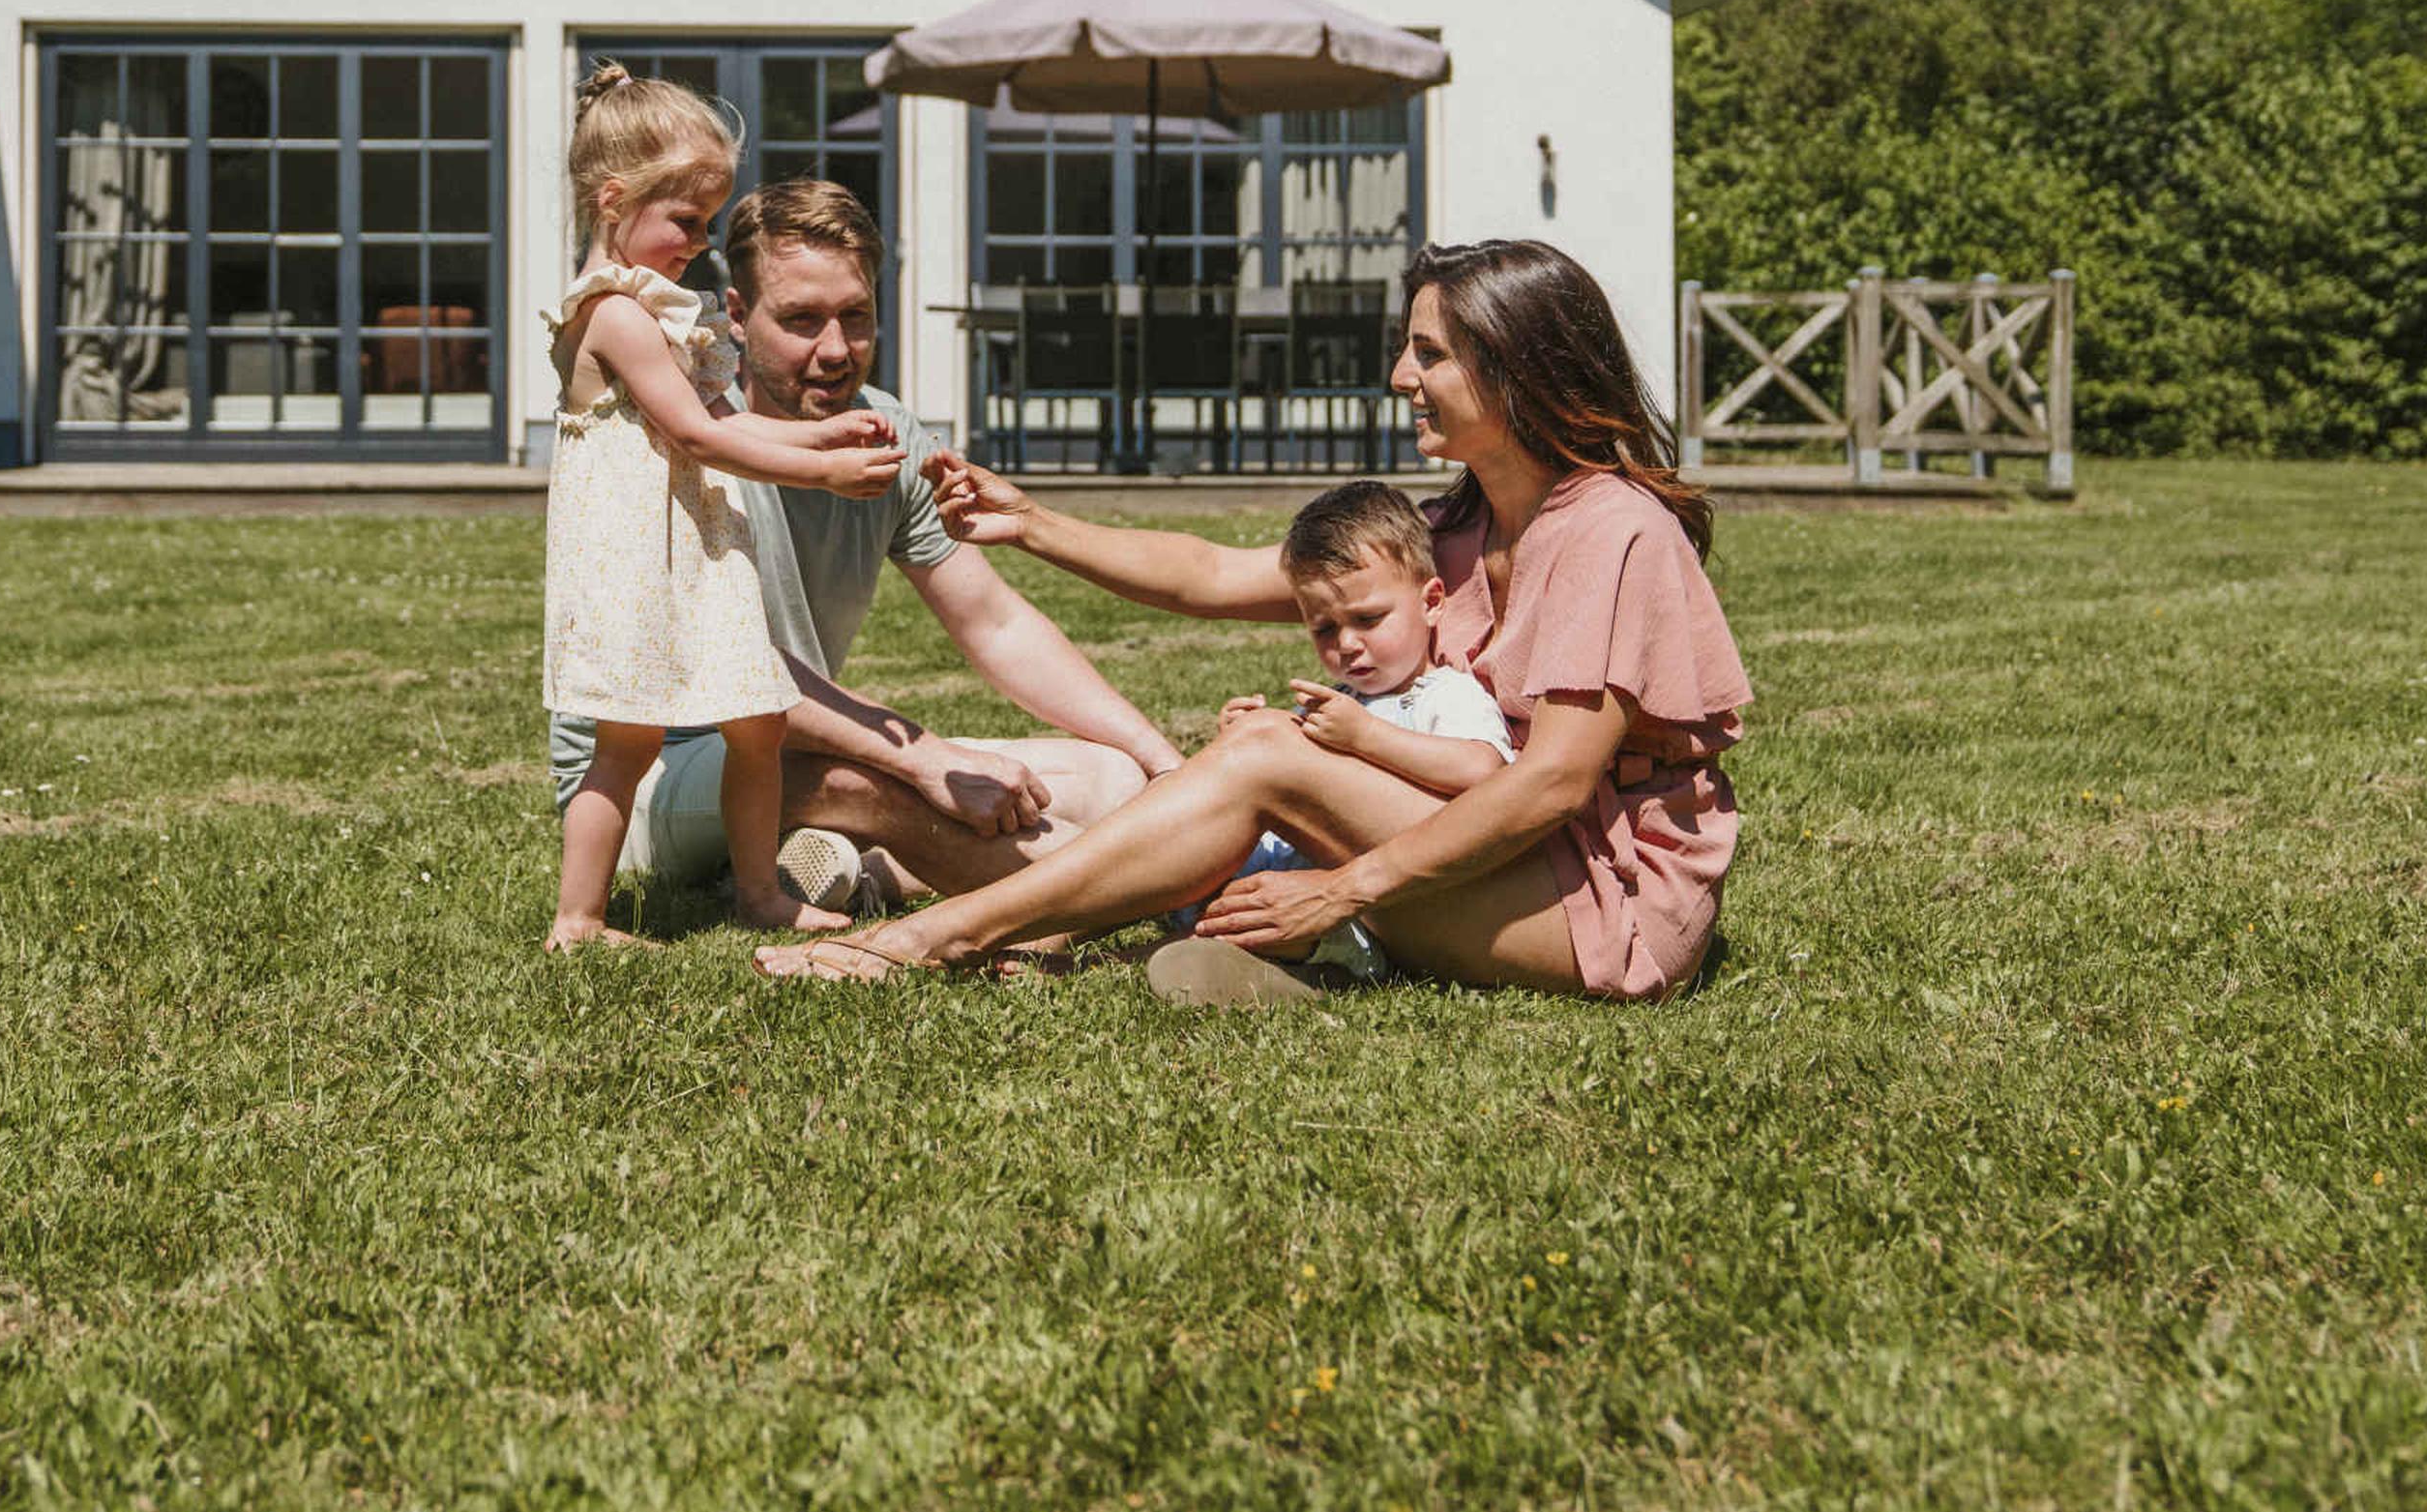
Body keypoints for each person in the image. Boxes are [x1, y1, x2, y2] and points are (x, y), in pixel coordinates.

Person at [753, 237, 1750, 1002]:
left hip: (1601, 911)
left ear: (1515, 368)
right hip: (1501, 864)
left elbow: (1552, 784)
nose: (1402, 376)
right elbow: (1212, 574)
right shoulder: (1460, 524)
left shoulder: (1611, 529)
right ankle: (1226, 949)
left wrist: (1345, 886)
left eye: (1429, 353)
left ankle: (940, 937)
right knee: (1241, 760)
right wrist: (1031, 523)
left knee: (1269, 753)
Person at [545, 177, 1177, 915]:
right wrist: (929, 758)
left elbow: (994, 623)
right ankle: (1116, 890)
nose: (836, 350)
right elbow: (746, 667)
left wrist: (1163, 763)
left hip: (789, 749)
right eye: (803, 320)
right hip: (652, 778)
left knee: (1111, 779)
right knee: (859, 780)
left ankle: (852, 868)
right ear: (739, 318)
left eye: (856, 317)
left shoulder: (887, 432)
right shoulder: (690, 436)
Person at [541, 70, 901, 951]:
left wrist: (828, 438)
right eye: (688, 223)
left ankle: (758, 893)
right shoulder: (616, 314)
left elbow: (727, 425)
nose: (699, 244)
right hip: (638, 561)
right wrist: (821, 476)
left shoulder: (660, 311)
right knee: (625, 741)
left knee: (760, 723)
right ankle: (578, 919)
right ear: (616, 199)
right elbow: (699, 440)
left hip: (694, 550)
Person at [1165, 480, 1513, 979]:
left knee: (1240, 923)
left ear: (1432, 601)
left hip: (1366, 910)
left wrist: (1367, 736)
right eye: (1324, 629)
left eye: (1368, 619)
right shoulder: (1346, 701)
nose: (1347, 644)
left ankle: (1168, 954)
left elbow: (1483, 770)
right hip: (1287, 878)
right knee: (1185, 825)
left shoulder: (1446, 694)